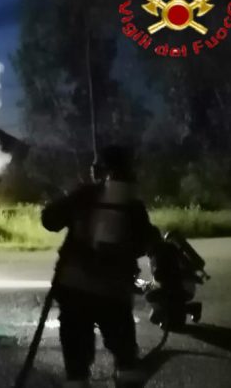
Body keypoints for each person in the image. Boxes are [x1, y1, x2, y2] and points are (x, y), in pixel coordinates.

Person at [41, 145, 162, 388]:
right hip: (114, 291)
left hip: (74, 287)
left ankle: (78, 381)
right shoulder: (132, 204)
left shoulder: (84, 195)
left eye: (95, 164)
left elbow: (50, 221)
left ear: (102, 169)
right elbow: (147, 242)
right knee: (125, 355)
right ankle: (126, 377)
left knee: (76, 359)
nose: (92, 167)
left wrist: (65, 200)